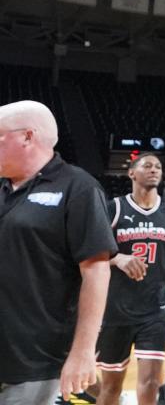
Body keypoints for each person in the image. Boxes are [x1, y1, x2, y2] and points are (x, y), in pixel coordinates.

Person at [0, 101, 116, 404]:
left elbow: (96, 270)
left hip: (35, 362)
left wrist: (83, 351)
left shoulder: (78, 187)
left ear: (27, 136)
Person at [96, 153, 165, 405]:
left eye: (158, 166)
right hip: (116, 310)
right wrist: (118, 259)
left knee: (150, 383)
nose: (154, 169)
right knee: (111, 388)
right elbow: (92, 253)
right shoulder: (113, 208)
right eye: (147, 165)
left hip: (155, 309)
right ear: (131, 173)